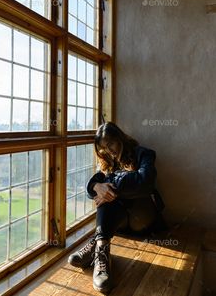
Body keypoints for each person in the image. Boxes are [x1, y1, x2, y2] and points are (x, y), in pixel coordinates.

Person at [68, 121, 166, 293]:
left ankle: (96, 245)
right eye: (104, 148)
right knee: (106, 196)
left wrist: (108, 184)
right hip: (121, 226)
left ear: (120, 138)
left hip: (143, 220)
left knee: (109, 195)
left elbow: (146, 182)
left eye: (111, 143)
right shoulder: (108, 163)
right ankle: (101, 255)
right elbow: (92, 185)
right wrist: (96, 187)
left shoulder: (144, 154)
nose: (109, 150)